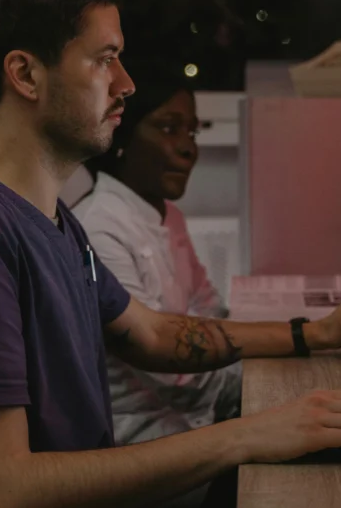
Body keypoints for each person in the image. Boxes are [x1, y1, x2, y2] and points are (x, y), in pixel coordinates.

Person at [0, 0, 341, 508]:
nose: (126, 84)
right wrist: (247, 434)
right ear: (26, 75)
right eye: (105, 60)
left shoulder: (54, 219)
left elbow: (152, 334)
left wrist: (313, 334)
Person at [73, 59, 241, 459]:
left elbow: (208, 307)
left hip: (194, 418)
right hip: (143, 444)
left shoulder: (168, 215)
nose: (188, 146)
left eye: (192, 131)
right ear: (124, 135)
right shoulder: (99, 226)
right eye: (169, 128)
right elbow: (170, 367)